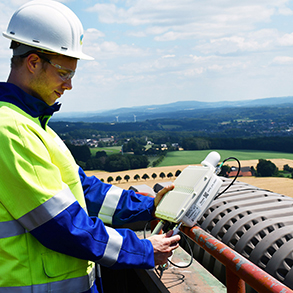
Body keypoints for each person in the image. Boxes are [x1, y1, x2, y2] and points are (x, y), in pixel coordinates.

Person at [0, 1, 180, 292]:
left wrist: (148, 207)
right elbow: (62, 226)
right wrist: (143, 250)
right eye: (64, 73)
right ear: (33, 63)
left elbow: (84, 190)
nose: (69, 85)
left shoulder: (32, 124)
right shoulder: (9, 130)